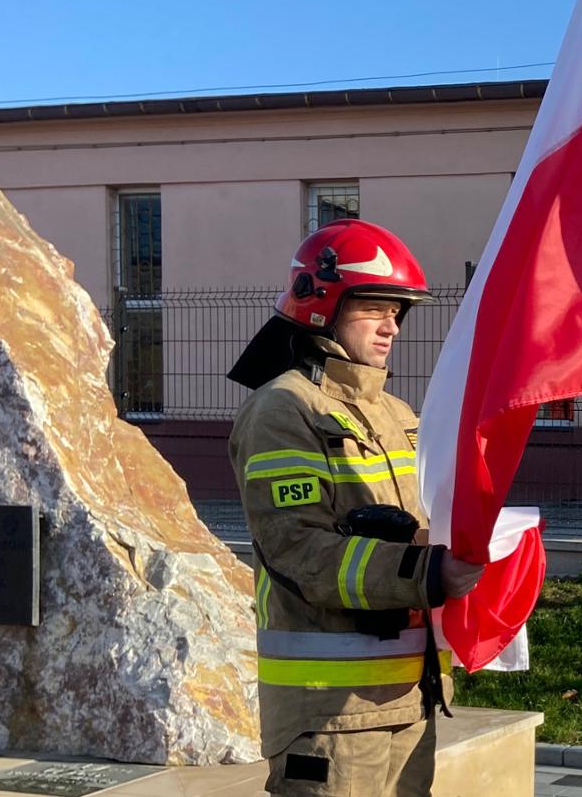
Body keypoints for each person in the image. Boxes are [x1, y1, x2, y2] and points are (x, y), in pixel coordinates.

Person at [227, 219, 485, 796]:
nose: (392, 325)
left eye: (398, 310)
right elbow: (298, 549)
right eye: (374, 307)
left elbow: (424, 530)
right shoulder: (283, 411)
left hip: (409, 698)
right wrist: (429, 572)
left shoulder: (399, 415)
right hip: (328, 714)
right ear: (321, 307)